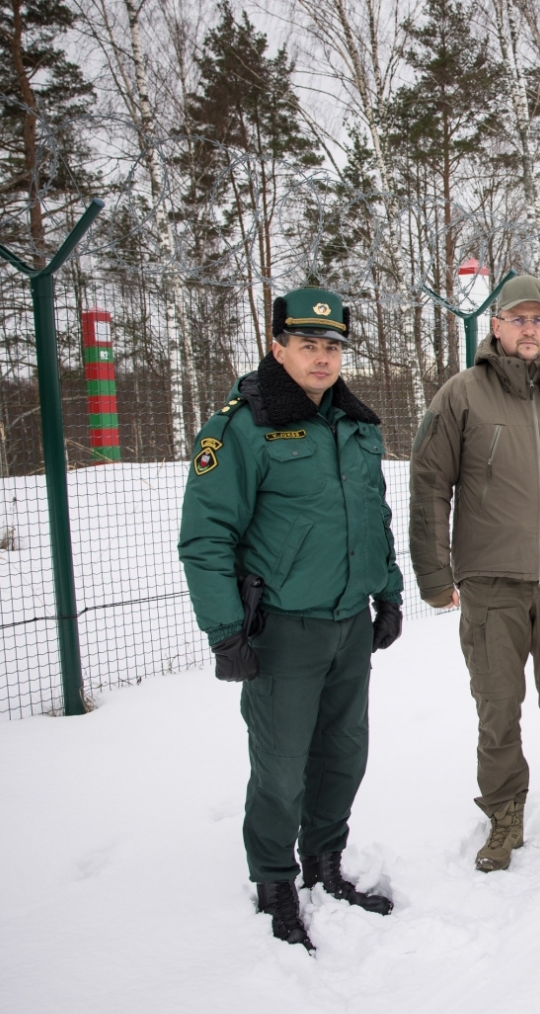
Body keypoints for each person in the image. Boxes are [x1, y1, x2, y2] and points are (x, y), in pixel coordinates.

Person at [179, 287, 402, 952]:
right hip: (283, 630)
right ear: (277, 346)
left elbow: (374, 516)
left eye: (332, 346)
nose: (321, 356)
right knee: (280, 767)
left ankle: (326, 861)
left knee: (343, 755)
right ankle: (275, 880)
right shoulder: (241, 427)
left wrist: (386, 592)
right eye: (307, 344)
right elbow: (206, 537)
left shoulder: (356, 425)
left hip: (347, 624)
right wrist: (225, 630)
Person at [408, 274, 540, 871]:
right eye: (517, 319)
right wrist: (435, 573)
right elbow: (430, 486)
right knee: (498, 705)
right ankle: (503, 815)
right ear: (495, 326)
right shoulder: (462, 395)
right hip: (491, 583)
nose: (530, 330)